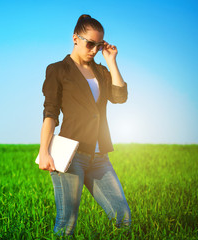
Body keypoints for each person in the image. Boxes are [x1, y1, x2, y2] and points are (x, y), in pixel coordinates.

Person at [38, 14, 131, 236]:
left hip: (99, 157)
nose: (94, 50)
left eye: (98, 46)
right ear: (75, 38)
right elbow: (50, 113)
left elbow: (119, 97)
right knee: (67, 222)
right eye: (90, 44)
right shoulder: (58, 70)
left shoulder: (100, 71)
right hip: (70, 155)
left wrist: (111, 61)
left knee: (123, 217)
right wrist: (43, 151)